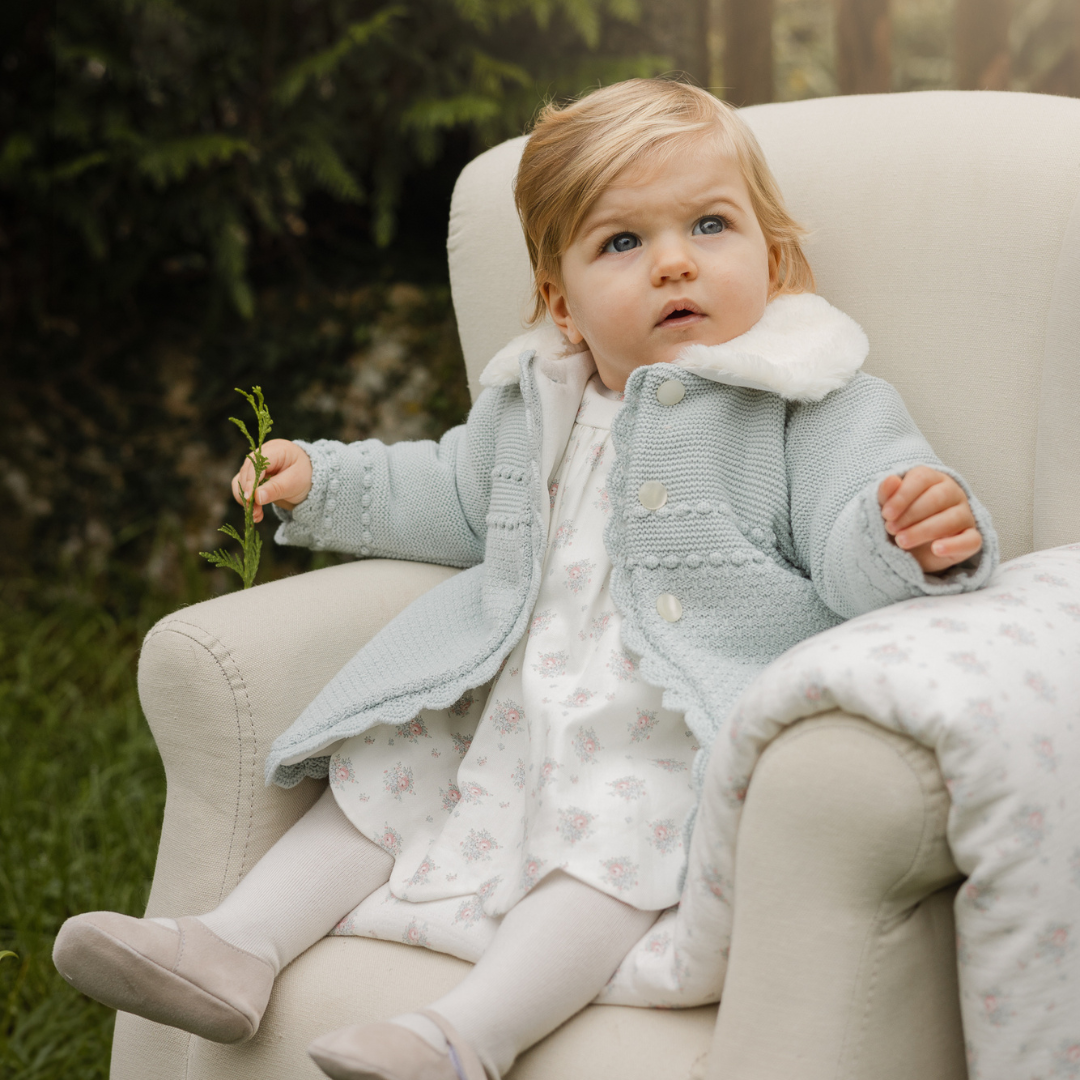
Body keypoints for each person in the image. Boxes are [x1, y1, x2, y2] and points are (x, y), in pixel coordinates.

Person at [53, 78, 995, 1080]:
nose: (674, 260)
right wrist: (322, 484)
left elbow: (855, 533)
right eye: (621, 243)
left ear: (775, 254)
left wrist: (907, 533)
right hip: (507, 704)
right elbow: (457, 496)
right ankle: (233, 945)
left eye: (710, 225)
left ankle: (461, 1037)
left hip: (667, 720)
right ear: (563, 302)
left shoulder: (808, 399)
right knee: (380, 776)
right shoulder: (536, 398)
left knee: (622, 839)